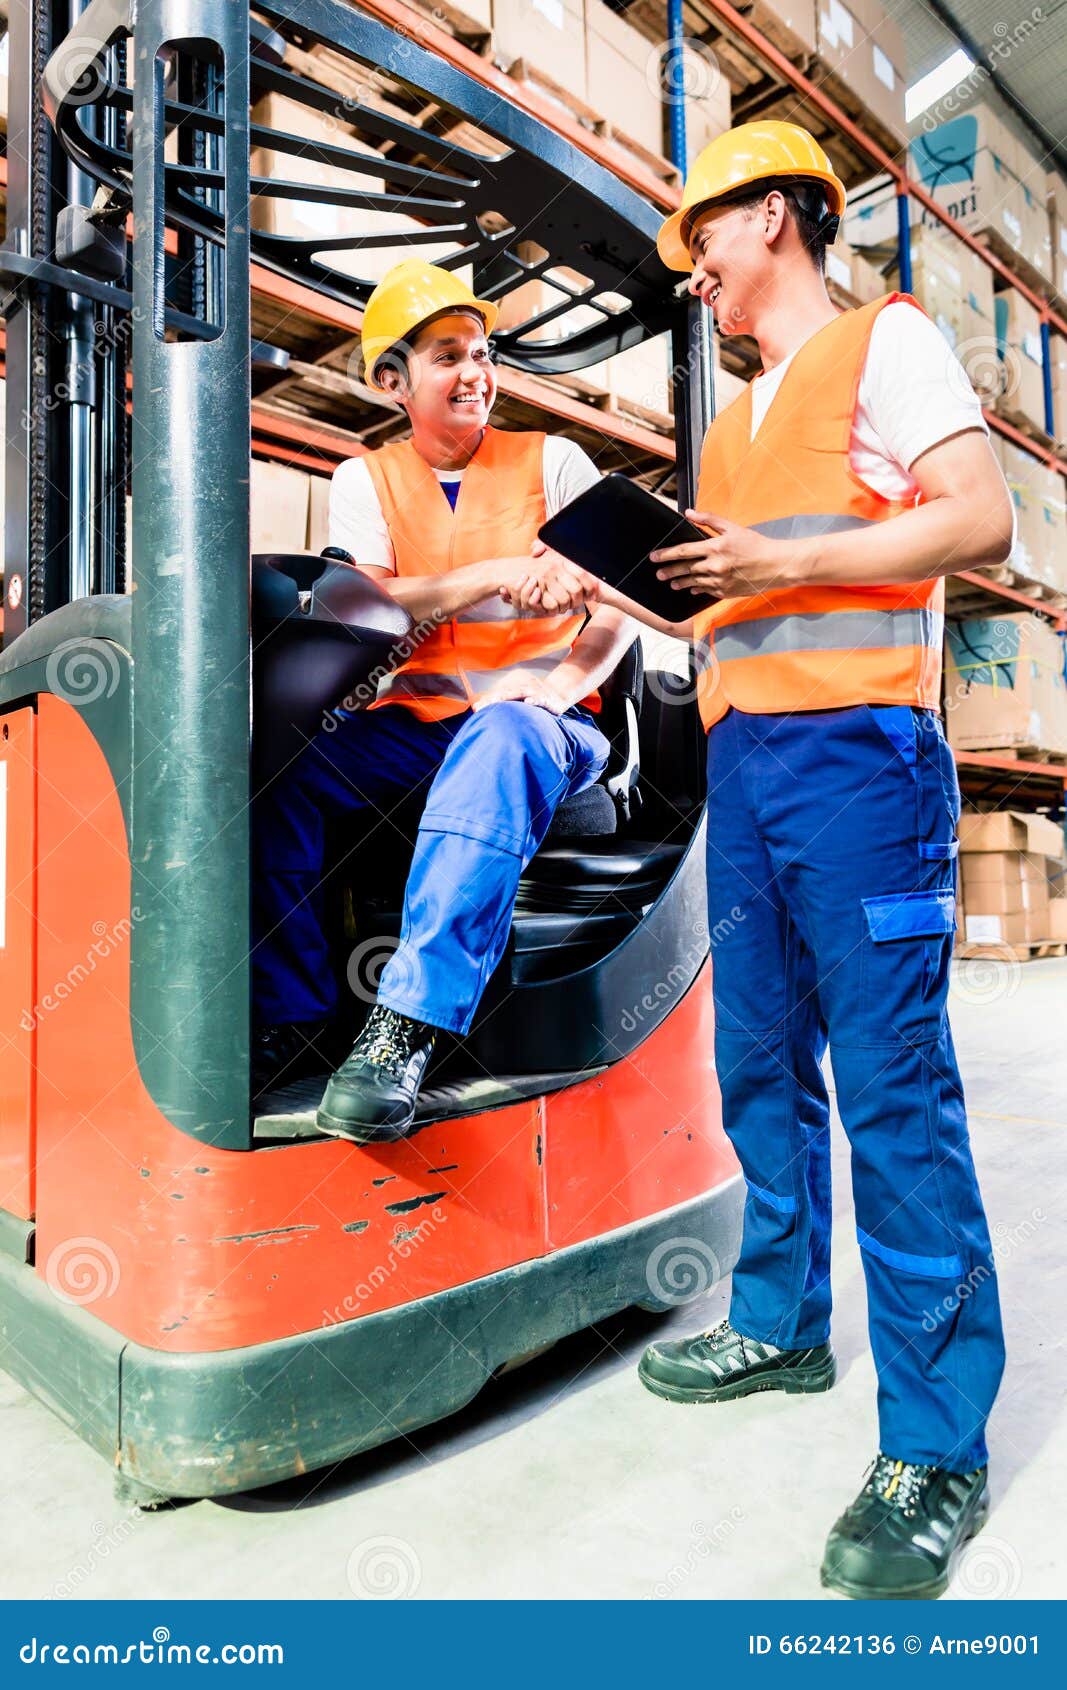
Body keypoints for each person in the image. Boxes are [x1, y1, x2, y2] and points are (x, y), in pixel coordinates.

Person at [515, 122, 1013, 1601]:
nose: (696, 273)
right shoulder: (731, 426)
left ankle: (934, 1443)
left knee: (892, 1090)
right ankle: (783, 1323)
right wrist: (614, 584)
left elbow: (977, 517)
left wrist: (777, 561)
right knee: (754, 1064)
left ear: (778, 217)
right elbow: (723, 609)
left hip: (862, 765)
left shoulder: (885, 343)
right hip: (744, 766)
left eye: (705, 240)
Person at [252, 259, 632, 1139]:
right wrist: (490, 574)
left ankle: (405, 1027)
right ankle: (290, 1016)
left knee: (501, 734)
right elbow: (377, 605)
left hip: (543, 728)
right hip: (417, 730)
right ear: (394, 382)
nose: (475, 374)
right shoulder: (366, 480)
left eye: (482, 354)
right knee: (276, 768)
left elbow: (624, 609)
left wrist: (558, 688)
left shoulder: (553, 462)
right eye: (448, 357)